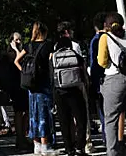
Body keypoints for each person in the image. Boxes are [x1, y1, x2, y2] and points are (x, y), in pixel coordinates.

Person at [97, 12, 126, 156]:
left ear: (106, 25)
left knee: (111, 120)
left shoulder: (105, 37)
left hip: (113, 80)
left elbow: (102, 62)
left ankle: (113, 152)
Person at [16, 21, 55, 155]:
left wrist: (25, 72)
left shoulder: (28, 45)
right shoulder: (48, 45)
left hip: (31, 86)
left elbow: (17, 60)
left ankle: (36, 143)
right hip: (43, 84)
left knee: (33, 113)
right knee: (44, 113)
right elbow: (51, 63)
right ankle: (45, 144)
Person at [52, 22, 88, 156]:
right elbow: (82, 68)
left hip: (60, 90)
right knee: (81, 118)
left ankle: (69, 148)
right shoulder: (75, 49)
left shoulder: (55, 51)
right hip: (75, 88)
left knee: (64, 120)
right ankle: (80, 147)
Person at [0, 32, 30, 151]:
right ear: (11, 41)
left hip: (23, 86)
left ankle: (23, 136)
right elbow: (18, 61)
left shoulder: (21, 52)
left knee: (25, 112)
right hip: (15, 87)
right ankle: (20, 138)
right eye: (16, 40)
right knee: (18, 112)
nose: (19, 42)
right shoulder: (8, 55)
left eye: (20, 40)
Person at [88, 14, 106, 142]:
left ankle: (108, 136)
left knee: (104, 111)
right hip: (106, 77)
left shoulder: (94, 40)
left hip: (99, 79)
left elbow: (93, 62)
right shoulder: (106, 38)